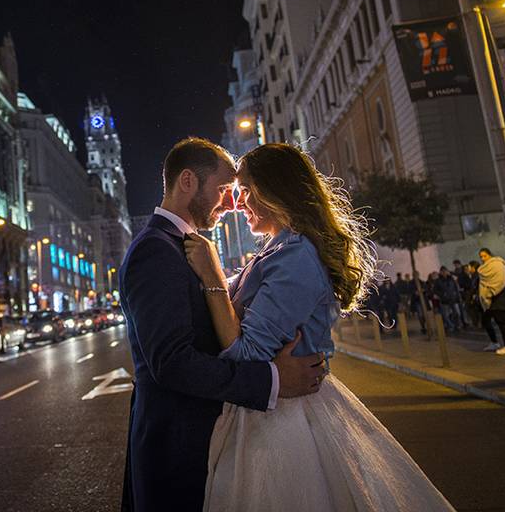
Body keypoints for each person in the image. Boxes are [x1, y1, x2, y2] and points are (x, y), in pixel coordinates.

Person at [185, 143, 453, 511]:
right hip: (271, 409)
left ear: (276, 189)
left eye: (246, 190)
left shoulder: (295, 255)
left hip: (285, 424)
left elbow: (247, 354)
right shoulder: (277, 249)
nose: (238, 202)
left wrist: (213, 276)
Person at [118, 138, 325, 512]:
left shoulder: (183, 245)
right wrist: (274, 380)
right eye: (224, 190)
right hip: (178, 446)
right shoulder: (156, 250)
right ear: (187, 182)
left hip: (207, 440)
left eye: (239, 191)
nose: (232, 204)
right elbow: (172, 362)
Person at [478, 248, 505, 355]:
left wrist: (490, 292)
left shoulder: (498, 264)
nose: (483, 258)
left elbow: (500, 281)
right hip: (488, 299)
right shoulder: (484, 268)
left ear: (490, 255)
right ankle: (494, 342)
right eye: (481, 256)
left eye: (484, 256)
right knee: (486, 320)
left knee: (502, 322)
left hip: (499, 297)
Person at [434, 266, 462, 333]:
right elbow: (435, 290)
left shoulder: (451, 279)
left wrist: (458, 296)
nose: (444, 273)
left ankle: (457, 325)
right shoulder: (438, 281)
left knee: (457, 313)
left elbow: (456, 288)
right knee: (446, 315)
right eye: (442, 271)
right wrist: (442, 294)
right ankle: (451, 326)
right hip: (444, 300)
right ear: (440, 272)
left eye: (445, 271)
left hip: (453, 299)